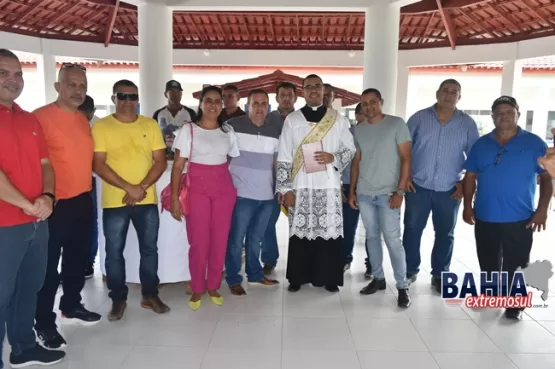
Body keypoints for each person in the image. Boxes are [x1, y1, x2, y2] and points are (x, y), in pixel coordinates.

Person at [0, 48, 66, 369]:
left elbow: (46, 163)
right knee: (1, 294)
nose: (13, 80)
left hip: (38, 221)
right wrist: (29, 204)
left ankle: (23, 347)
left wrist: (48, 196)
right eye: (3, 73)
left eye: (17, 74)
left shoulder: (29, 119)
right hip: (4, 224)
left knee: (31, 286)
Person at [463, 95, 552, 320]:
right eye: (499, 112)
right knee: (488, 258)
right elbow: (470, 177)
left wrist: (542, 210)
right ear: (492, 116)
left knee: (517, 260)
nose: (504, 116)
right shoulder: (481, 144)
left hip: (520, 216)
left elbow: (548, 179)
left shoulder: (534, 143)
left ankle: (514, 304)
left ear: (518, 115)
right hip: (485, 214)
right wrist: (467, 205)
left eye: (509, 112)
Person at [34, 63, 101, 350]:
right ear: (58, 86)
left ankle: (71, 305)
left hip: (82, 199)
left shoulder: (82, 119)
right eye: (72, 84)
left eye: (82, 86)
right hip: (55, 204)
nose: (78, 90)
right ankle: (44, 322)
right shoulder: (39, 119)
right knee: (48, 268)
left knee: (77, 260)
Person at [92, 80, 170, 321]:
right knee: (114, 253)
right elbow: (98, 163)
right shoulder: (102, 126)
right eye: (122, 96)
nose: (127, 101)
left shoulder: (150, 124)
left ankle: (150, 295)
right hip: (115, 202)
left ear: (138, 100)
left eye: (132, 96)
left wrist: (142, 187)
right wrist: (129, 188)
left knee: (150, 250)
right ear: (114, 98)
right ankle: (118, 299)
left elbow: (160, 161)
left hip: (146, 200)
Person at [277, 74, 355, 293]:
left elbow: (350, 149)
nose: (313, 90)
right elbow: (283, 155)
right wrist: (285, 189)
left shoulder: (337, 119)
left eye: (317, 86)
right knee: (299, 232)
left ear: (324, 90)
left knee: (328, 232)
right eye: (308, 86)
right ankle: (297, 277)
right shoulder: (293, 120)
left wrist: (334, 158)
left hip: (328, 185)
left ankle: (329, 277)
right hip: (300, 184)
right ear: (302, 91)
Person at [403, 79, 479, 293]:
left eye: (454, 92)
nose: (449, 95)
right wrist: (405, 176)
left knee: (445, 233)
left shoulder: (467, 123)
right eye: (445, 90)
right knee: (411, 229)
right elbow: (404, 150)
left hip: (449, 189)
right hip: (417, 186)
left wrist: (464, 182)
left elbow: (475, 157)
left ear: (459, 97)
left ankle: (439, 274)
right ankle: (409, 270)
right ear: (437, 93)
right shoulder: (418, 118)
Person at [171, 86, 239, 310]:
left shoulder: (228, 131)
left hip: (223, 189)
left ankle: (213, 286)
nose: (213, 105)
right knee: (199, 241)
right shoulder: (188, 130)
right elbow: (178, 166)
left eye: (217, 101)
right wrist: (173, 199)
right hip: (197, 188)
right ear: (201, 104)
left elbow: (229, 160)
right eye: (208, 101)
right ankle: (197, 287)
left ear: (222, 104)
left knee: (220, 240)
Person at [348, 89, 412, 308]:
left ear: (381, 102)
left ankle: (403, 286)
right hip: (365, 193)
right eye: (365, 104)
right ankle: (378, 278)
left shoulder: (396, 124)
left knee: (393, 240)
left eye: (373, 102)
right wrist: (353, 191)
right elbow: (356, 162)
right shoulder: (358, 130)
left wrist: (400, 191)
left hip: (388, 194)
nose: (369, 107)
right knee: (372, 237)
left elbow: (406, 158)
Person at [225, 89, 281, 295]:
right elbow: (223, 156)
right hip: (241, 196)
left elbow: (277, 162)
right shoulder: (233, 127)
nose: (259, 107)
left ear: (268, 106)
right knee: (235, 239)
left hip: (267, 196)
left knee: (255, 238)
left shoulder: (275, 130)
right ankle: (233, 278)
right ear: (247, 105)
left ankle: (255, 275)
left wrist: (279, 189)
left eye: (263, 103)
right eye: (255, 103)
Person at [261, 81, 296, 275]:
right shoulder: (267, 119)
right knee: (268, 221)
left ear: (295, 98)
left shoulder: (302, 118)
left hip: (297, 179)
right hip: (271, 179)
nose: (286, 98)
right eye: (282, 95)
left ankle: (298, 260)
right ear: (277, 98)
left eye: (289, 95)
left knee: (297, 222)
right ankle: (269, 258)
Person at [342, 102, 371, 277]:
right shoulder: (348, 135)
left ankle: (371, 263)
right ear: (357, 116)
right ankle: (344, 259)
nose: (368, 118)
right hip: (348, 186)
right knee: (348, 226)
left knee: (372, 228)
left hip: (372, 188)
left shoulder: (381, 135)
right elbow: (339, 161)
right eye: (364, 114)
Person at [78, 95, 99, 279]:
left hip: (95, 181)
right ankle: (75, 262)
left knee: (92, 222)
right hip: (73, 180)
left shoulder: (99, 127)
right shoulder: (70, 123)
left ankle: (88, 262)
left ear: (92, 113)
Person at [153, 80, 197, 160]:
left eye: (178, 91)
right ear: (165, 94)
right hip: (163, 158)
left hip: (184, 158)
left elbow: (195, 136)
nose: (175, 94)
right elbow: (153, 137)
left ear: (181, 94)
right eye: (172, 91)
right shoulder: (158, 114)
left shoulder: (190, 113)